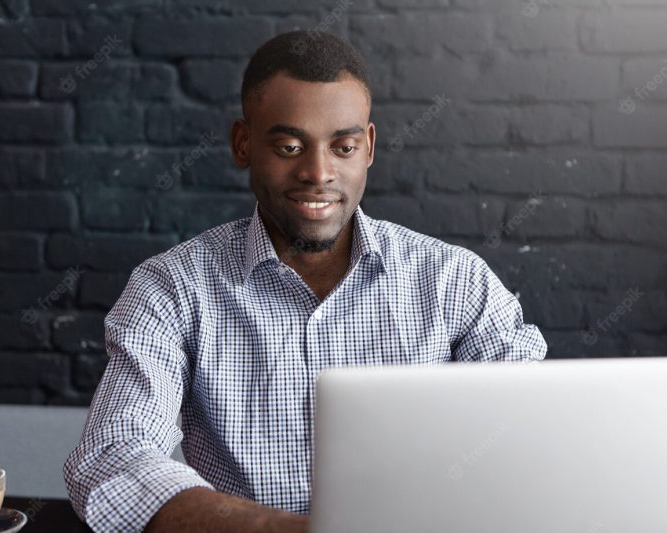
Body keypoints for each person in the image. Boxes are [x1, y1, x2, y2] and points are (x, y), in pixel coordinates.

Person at [63, 30, 547, 533]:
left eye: (343, 146)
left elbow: (536, 432)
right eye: (291, 146)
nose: (318, 172)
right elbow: (113, 458)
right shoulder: (172, 289)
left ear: (369, 148)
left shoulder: (454, 282)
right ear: (243, 143)